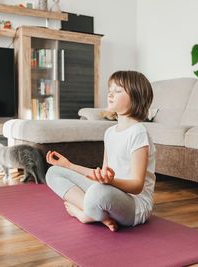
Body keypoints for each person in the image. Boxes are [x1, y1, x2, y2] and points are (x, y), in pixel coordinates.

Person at [45, 70, 156, 232]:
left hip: (135, 205)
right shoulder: (110, 133)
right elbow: (101, 175)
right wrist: (68, 165)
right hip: (110, 190)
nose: (110, 94)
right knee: (54, 172)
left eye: (118, 91)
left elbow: (137, 186)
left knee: (98, 191)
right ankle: (98, 214)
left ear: (136, 97)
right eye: (110, 90)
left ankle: (85, 215)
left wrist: (110, 182)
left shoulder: (138, 132)